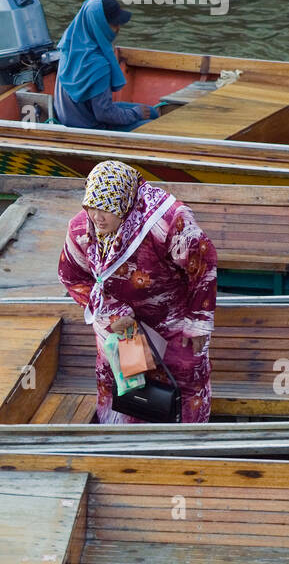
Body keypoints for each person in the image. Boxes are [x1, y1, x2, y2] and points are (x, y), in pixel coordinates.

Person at [57, 159, 218, 424]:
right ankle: (124, 449)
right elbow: (71, 275)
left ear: (124, 203)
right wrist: (110, 312)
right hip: (122, 329)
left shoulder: (166, 220)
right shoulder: (80, 229)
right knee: (129, 389)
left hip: (172, 321)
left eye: (106, 209)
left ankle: (187, 448)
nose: (97, 217)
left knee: (186, 377)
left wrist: (198, 322)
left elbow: (203, 262)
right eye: (92, 207)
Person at [54, 0, 161, 132]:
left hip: (69, 119)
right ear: (98, 24)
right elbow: (104, 114)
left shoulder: (67, 48)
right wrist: (135, 114)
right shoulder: (99, 64)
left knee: (151, 111)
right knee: (154, 125)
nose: (118, 28)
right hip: (90, 129)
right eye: (114, 23)